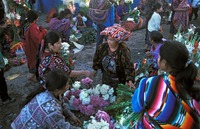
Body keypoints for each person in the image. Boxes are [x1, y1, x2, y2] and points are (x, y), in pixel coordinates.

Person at [131, 41, 200, 128]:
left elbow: (136, 107)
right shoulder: (192, 86)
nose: (157, 58)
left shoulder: (152, 84)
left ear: (164, 63)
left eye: (159, 56)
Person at [11, 69, 81, 128]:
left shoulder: (49, 90)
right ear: (57, 89)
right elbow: (63, 127)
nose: (68, 86)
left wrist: (71, 115)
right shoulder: (52, 110)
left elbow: (62, 103)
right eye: (67, 84)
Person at [92, 24, 135, 90]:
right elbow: (96, 58)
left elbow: (128, 66)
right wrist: (95, 69)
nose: (109, 42)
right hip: (106, 77)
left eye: (112, 40)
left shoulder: (123, 50)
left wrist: (129, 80)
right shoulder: (103, 47)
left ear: (118, 41)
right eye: (108, 39)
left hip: (119, 79)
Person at [23, 10, 47, 82]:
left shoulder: (27, 25)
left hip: (28, 47)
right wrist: (43, 31)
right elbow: (37, 40)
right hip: (32, 49)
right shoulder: (32, 27)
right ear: (35, 18)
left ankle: (33, 76)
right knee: (35, 61)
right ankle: (32, 76)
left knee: (32, 61)